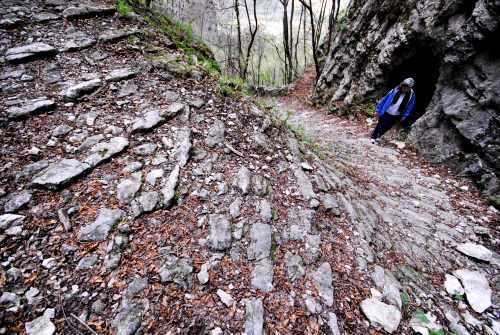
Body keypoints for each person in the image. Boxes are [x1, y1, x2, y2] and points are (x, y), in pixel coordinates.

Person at [370, 78, 416, 143]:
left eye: (407, 88)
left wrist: (405, 115)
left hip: (397, 114)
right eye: (404, 87)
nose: (405, 89)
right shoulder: (395, 90)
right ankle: (373, 137)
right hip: (387, 111)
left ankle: (379, 135)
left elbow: (410, 106)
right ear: (402, 85)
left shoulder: (412, 95)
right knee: (380, 124)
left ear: (410, 88)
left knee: (388, 127)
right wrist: (378, 109)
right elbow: (385, 99)